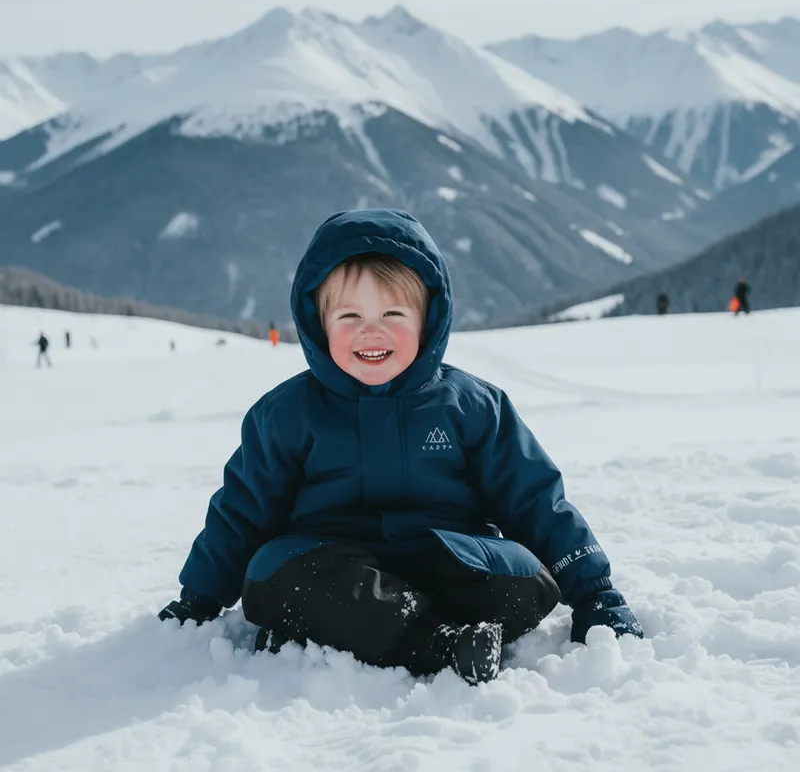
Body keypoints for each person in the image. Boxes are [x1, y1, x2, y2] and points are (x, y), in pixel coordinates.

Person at [158, 210, 643, 684]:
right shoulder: (285, 414)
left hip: (448, 561)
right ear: (319, 324)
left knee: (525, 579)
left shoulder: (473, 406)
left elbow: (535, 501)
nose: (371, 331)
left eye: (392, 313)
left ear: (427, 320)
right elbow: (241, 512)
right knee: (273, 575)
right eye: (349, 315)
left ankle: (364, 630)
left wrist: (594, 594)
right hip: (336, 569)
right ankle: (439, 642)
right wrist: (199, 598)